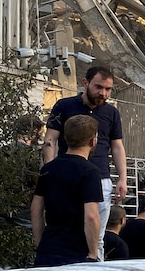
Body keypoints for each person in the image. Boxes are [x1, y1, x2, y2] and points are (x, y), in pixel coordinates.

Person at [43, 66, 126, 260]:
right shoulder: (64, 106)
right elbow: (50, 140)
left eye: (107, 89)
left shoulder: (111, 113)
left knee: (97, 238)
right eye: (98, 87)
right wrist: (49, 170)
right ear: (85, 83)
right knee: (64, 229)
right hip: (68, 177)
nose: (103, 93)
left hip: (100, 178)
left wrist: (122, 178)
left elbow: (117, 146)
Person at [31, 115, 103, 266]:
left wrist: (40, 244)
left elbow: (36, 209)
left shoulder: (48, 169)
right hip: (77, 253)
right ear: (93, 141)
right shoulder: (90, 172)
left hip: (48, 248)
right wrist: (92, 253)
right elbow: (91, 216)